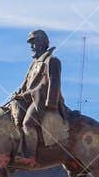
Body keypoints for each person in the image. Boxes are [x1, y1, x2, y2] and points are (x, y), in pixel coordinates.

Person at [10, 29, 66, 165]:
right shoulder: (34, 64)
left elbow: (53, 84)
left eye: (34, 43)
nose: (31, 46)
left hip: (42, 101)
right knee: (12, 114)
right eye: (31, 43)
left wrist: (51, 105)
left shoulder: (52, 61)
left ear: (42, 43)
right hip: (30, 99)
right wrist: (18, 95)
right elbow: (25, 84)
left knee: (28, 123)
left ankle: (30, 156)